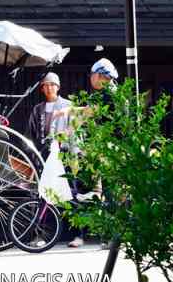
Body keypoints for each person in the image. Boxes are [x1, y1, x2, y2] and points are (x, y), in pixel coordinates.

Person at [57, 57, 119, 248]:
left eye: (92, 75)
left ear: (101, 75)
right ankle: (89, 235)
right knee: (88, 190)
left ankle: (113, 237)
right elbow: (83, 119)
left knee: (110, 193)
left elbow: (89, 112)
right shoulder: (98, 94)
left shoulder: (112, 93)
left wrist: (67, 111)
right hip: (95, 150)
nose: (91, 78)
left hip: (111, 150)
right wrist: (66, 133)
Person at [27, 72, 72, 158]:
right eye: (46, 85)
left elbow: (74, 129)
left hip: (63, 153)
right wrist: (32, 153)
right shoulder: (37, 109)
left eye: (52, 85)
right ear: (42, 89)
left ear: (58, 87)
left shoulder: (68, 105)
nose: (49, 88)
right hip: (42, 153)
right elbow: (30, 133)